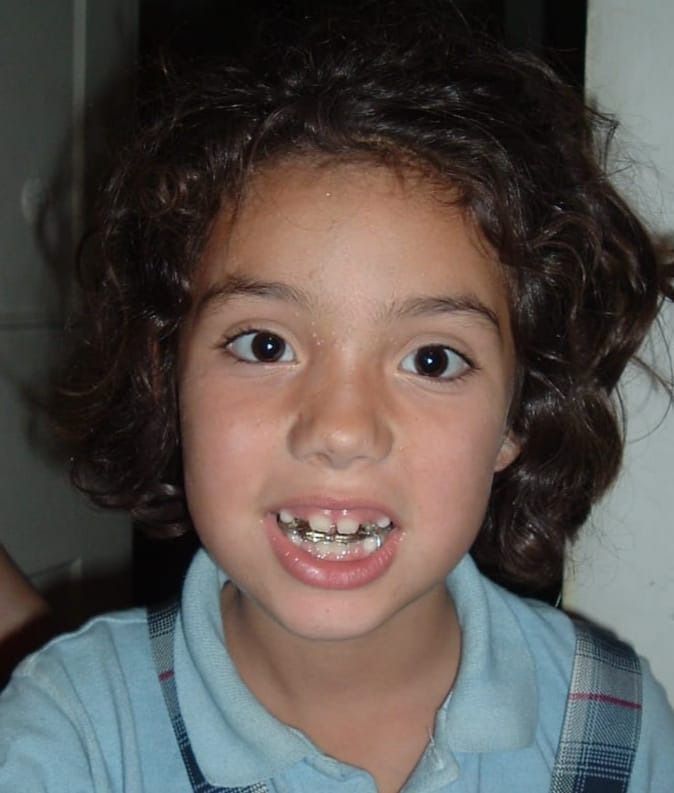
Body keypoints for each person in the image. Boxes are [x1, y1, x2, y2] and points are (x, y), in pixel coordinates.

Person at [1, 15, 673, 792]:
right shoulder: (74, 735)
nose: (341, 429)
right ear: (168, 375)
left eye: (432, 358)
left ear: (521, 413)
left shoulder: (614, 726)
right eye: (265, 345)